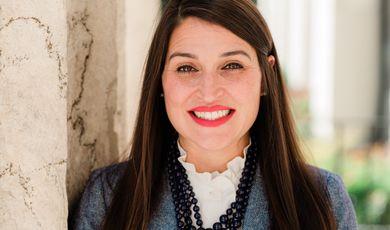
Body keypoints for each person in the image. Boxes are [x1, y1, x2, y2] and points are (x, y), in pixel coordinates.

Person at [72, 0, 358, 229]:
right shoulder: (109, 195)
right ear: (160, 81)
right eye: (187, 68)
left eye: (232, 65)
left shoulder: (323, 198)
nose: (208, 92)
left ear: (266, 77)